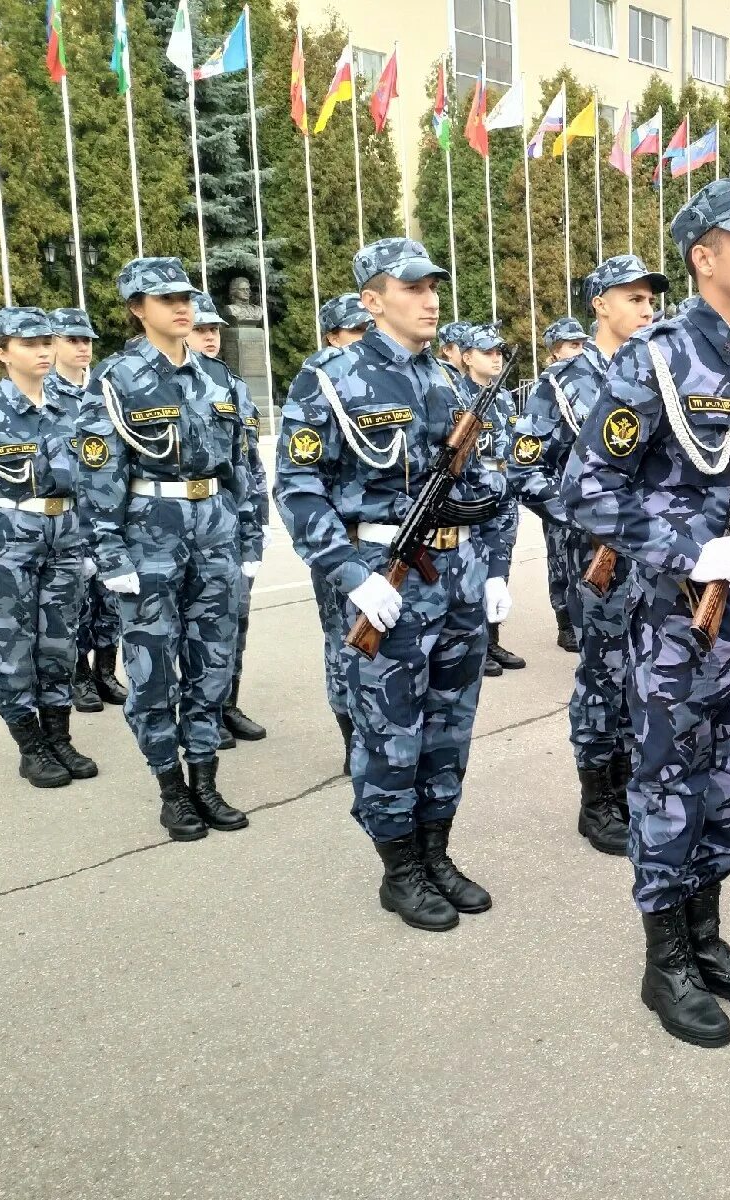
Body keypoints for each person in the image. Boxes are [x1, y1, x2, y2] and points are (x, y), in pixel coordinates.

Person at [562, 180, 730, 1049]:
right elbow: (587, 487)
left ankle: (706, 935)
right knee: (669, 788)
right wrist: (690, 546)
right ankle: (665, 960)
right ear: (705, 256)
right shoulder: (654, 358)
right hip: (675, 628)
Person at [276, 239, 509, 932]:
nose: (429, 298)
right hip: (386, 577)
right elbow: (297, 487)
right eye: (410, 288)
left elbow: (489, 481)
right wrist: (350, 574)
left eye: (433, 285)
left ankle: (435, 852)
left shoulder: (451, 384)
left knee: (448, 728)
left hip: (457, 576)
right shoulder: (327, 378)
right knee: (388, 732)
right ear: (372, 300)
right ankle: (399, 869)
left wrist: (493, 567)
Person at [79, 259, 258, 838]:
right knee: (153, 669)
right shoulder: (116, 379)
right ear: (137, 309)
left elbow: (243, 468)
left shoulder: (220, 380)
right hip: (148, 532)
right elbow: (98, 474)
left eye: (184, 297)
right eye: (163, 300)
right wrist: (110, 553)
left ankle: (204, 779)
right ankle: (170, 787)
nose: (181, 308)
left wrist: (248, 536)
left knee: (213, 663)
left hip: (215, 530)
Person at [516, 256, 668, 854]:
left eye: (651, 298)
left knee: (647, 671)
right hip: (597, 558)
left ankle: (633, 780)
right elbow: (525, 468)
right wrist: (583, 517)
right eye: (632, 297)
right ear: (599, 304)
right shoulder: (561, 384)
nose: (647, 308)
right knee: (603, 673)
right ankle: (597, 796)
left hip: (655, 553)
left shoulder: (663, 372)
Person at [0, 308, 98, 788]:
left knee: (60, 643)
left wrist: (88, 542)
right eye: (28, 343)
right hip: (6, 540)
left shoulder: (73, 406)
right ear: (2, 353)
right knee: (13, 649)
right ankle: (30, 744)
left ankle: (58, 735)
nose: (42, 350)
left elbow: (89, 480)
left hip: (63, 536)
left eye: (46, 341)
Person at [186, 292, 269, 749]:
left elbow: (251, 464)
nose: (211, 336)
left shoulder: (233, 386)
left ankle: (226, 702)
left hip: (233, 522)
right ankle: (201, 711)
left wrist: (257, 526)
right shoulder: (176, 388)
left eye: (214, 329)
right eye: (202, 329)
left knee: (234, 621)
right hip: (193, 524)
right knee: (197, 627)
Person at [304, 293, 374, 774]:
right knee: (342, 640)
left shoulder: (385, 378)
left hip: (384, 538)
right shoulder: (319, 382)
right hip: (340, 539)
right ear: (332, 336)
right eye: (355, 332)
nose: (364, 341)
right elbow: (304, 477)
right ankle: (350, 734)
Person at [46, 307, 127, 715]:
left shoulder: (105, 388)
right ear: (54, 343)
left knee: (111, 596)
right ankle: (78, 675)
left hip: (106, 510)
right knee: (75, 601)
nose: (82, 347)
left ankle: (105, 671)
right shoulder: (45, 395)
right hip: (68, 515)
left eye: (87, 340)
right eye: (73, 339)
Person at [456, 323, 526, 679]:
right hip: (474, 495)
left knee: (500, 566)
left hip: (504, 494)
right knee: (473, 567)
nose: (496, 358)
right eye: (488, 352)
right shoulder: (457, 396)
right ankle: (475, 644)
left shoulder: (503, 396)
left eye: (499, 352)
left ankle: (492, 639)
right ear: (467, 357)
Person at [535, 316, 590, 652]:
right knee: (559, 557)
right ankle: (564, 620)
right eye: (572, 345)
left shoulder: (590, 382)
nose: (579, 351)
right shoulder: (552, 386)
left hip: (588, 490)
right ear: (554, 351)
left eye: (582, 344)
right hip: (559, 487)